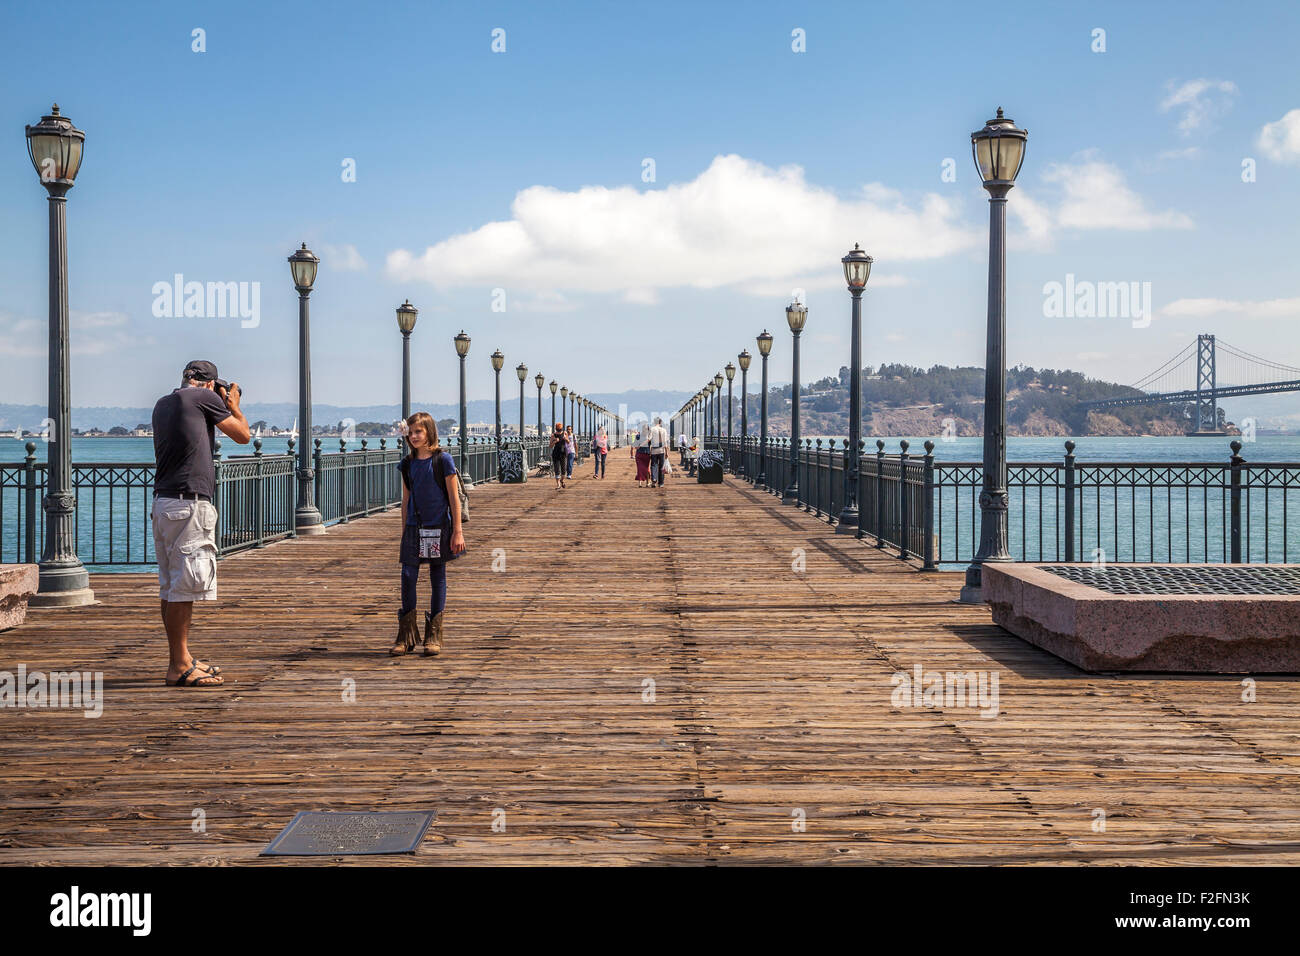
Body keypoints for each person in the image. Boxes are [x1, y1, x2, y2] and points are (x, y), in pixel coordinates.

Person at [152, 360, 250, 687]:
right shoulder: (199, 396)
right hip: (188, 504)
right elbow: (243, 435)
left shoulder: (164, 403)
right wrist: (233, 404)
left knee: (171, 587)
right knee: (185, 587)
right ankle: (179, 666)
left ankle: (181, 658)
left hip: (164, 503)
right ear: (208, 385)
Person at [392, 412, 465, 657]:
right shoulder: (407, 463)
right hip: (414, 527)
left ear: (429, 432)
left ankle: (434, 635)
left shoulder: (443, 460)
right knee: (408, 575)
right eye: (410, 432)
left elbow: (454, 499)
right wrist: (403, 532)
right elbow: (406, 500)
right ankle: (407, 635)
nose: (413, 436)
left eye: (418, 432)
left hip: (439, 527)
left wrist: (457, 532)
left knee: (437, 575)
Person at [647, 417, 669, 488]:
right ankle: (661, 483)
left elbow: (649, 439)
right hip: (662, 450)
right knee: (661, 467)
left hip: (654, 450)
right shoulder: (664, 430)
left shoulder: (652, 429)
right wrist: (667, 452)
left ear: (654, 422)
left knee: (654, 465)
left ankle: (654, 479)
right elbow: (665, 442)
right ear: (660, 422)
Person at [549, 422, 568, 490]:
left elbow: (568, 442)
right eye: (558, 429)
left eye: (560, 429)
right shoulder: (553, 435)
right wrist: (555, 441)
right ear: (556, 429)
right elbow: (550, 446)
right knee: (557, 469)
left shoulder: (565, 433)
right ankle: (558, 485)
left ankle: (562, 480)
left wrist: (565, 439)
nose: (559, 431)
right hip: (556, 453)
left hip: (563, 453)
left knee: (564, 470)